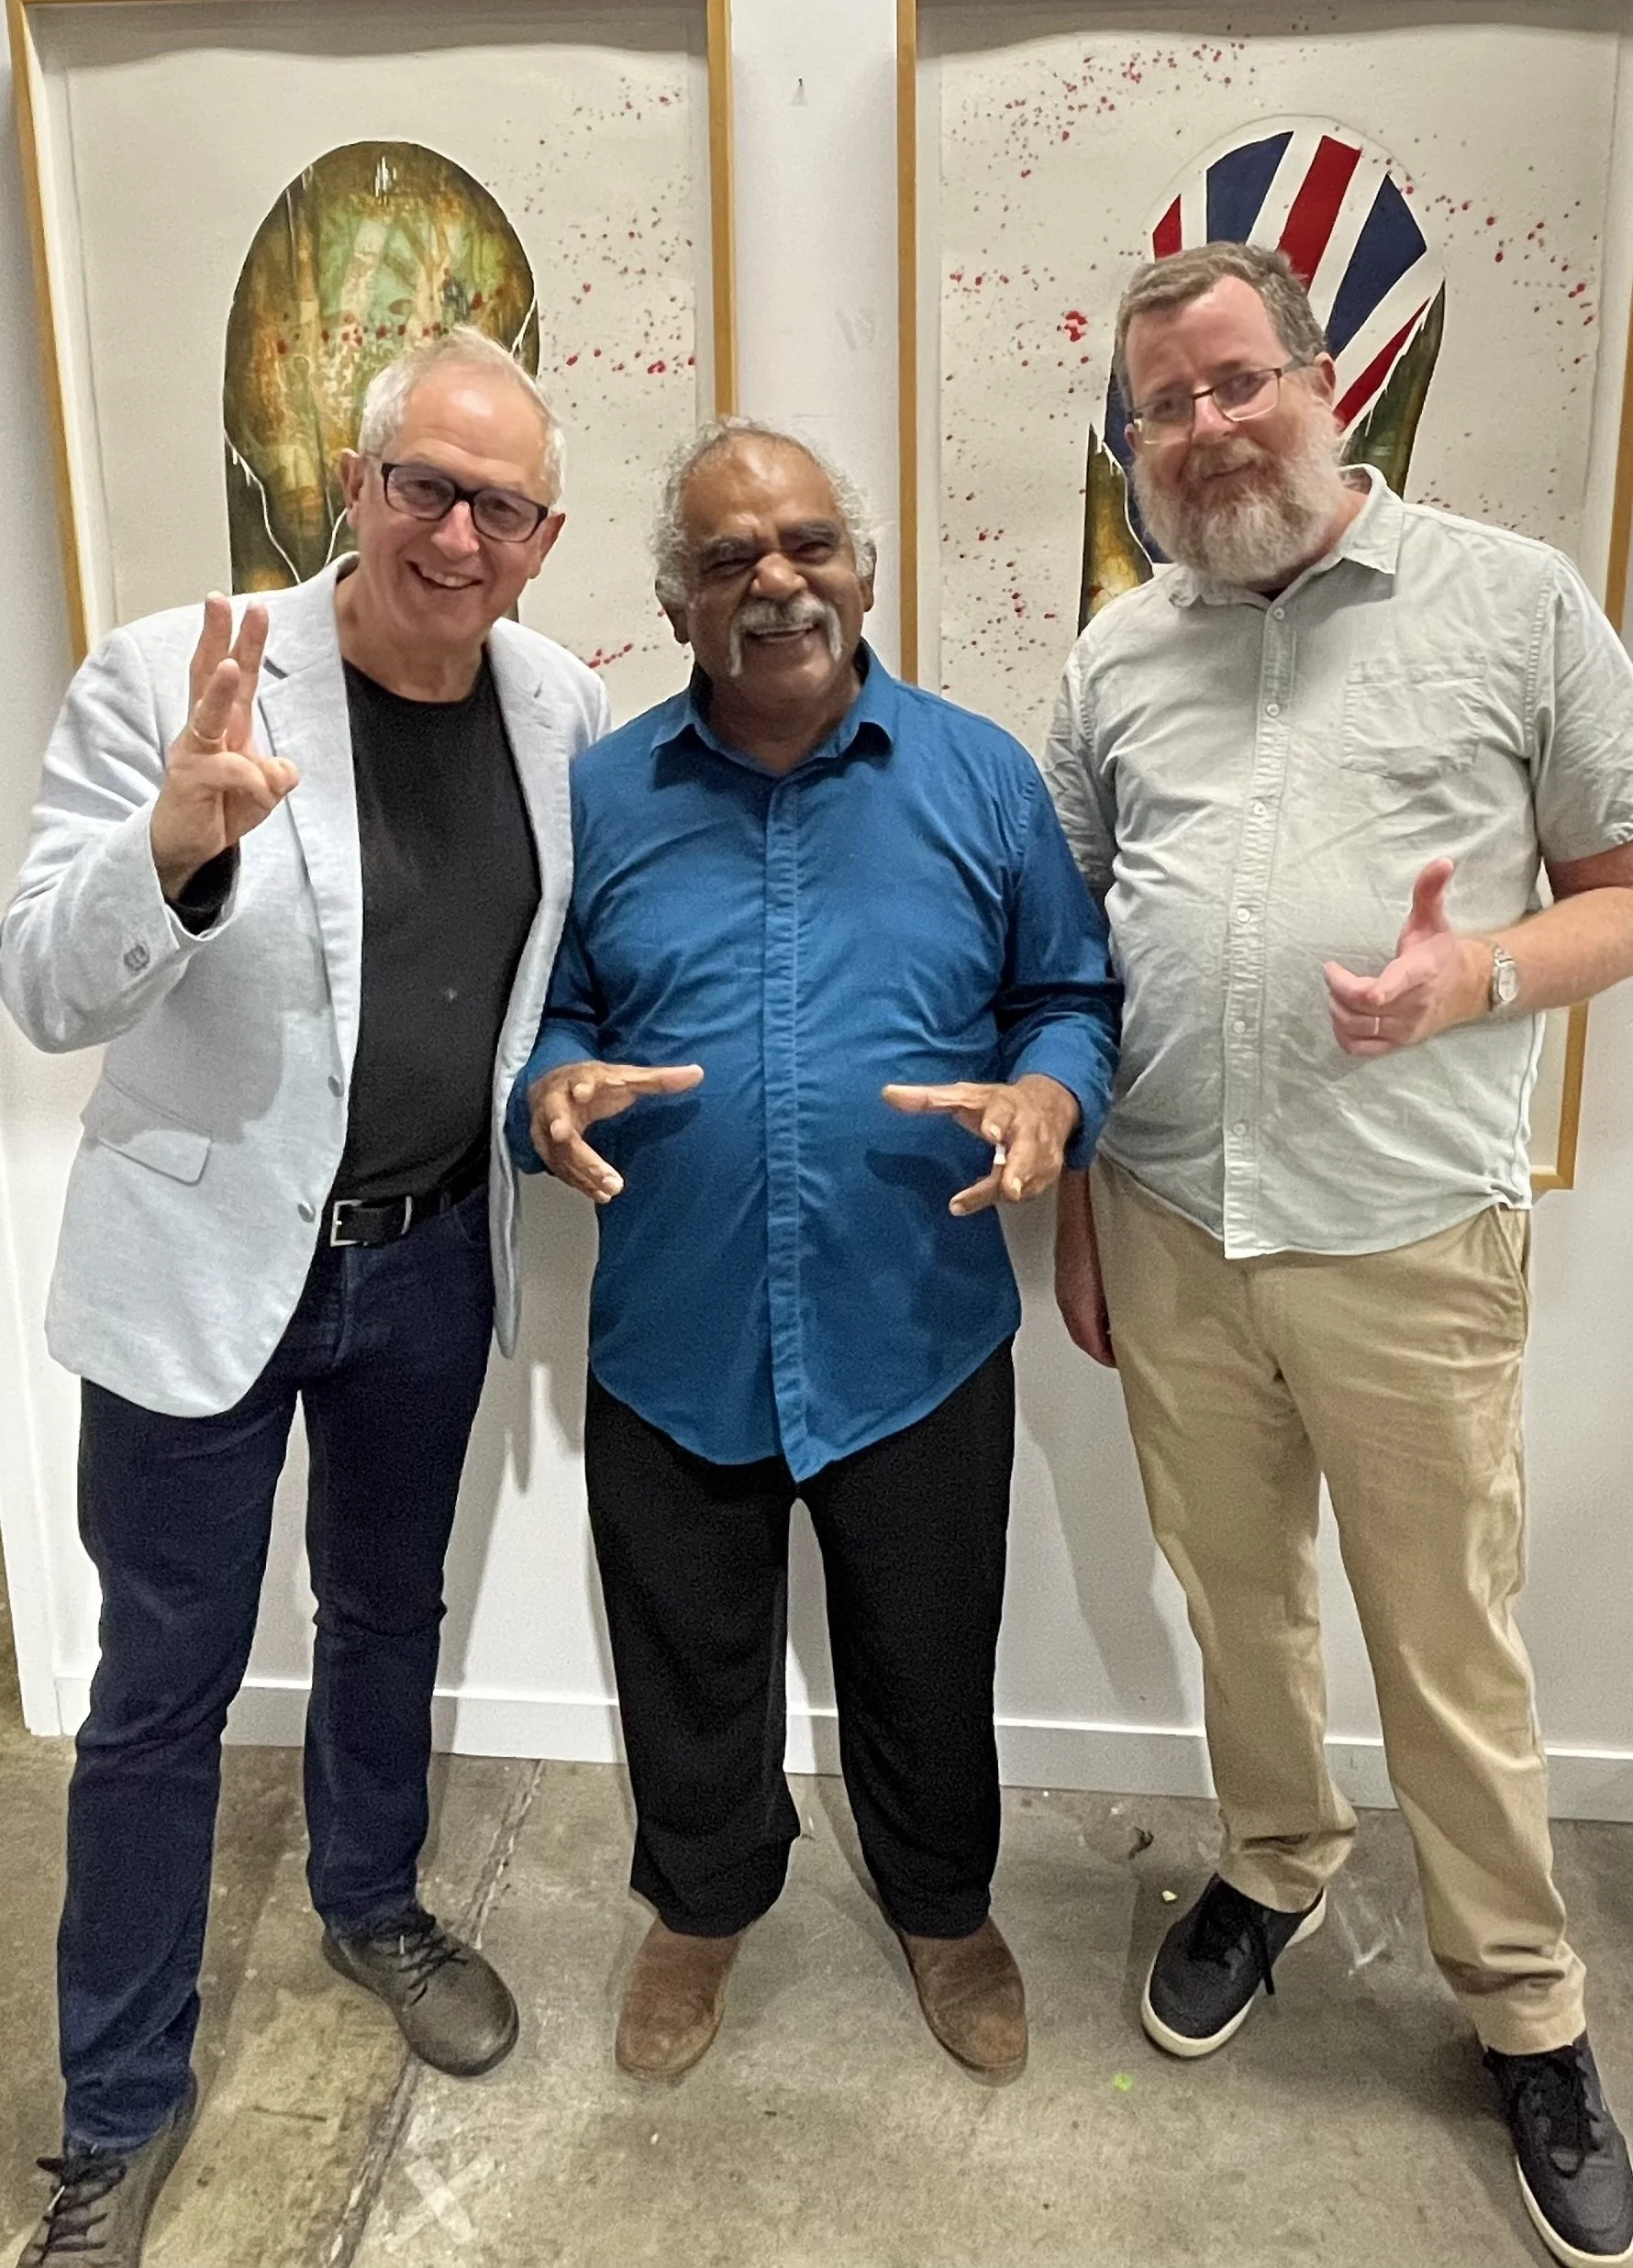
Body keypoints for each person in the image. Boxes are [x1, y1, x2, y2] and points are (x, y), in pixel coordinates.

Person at [1044, 238, 1633, 2268]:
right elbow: (1068, 952)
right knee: (1238, 1610)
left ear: (1330, 381)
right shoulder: (1116, 657)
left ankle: (1525, 2004)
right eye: (1163, 407)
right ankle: (1273, 1861)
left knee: (1447, 1645)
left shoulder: (1512, 601)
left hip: (1407, 1237)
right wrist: (1079, 1208)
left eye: (1237, 381)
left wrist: (1475, 975)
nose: (1206, 427)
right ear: (1133, 447)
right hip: (1170, 1225)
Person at [3, 327, 605, 2268]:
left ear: (544, 538)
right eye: (423, 485)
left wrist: (559, 1087)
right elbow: (44, 985)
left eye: (500, 506)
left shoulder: (561, 706)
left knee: (385, 1611)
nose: (456, 534)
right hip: (199, 1268)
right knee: (156, 1694)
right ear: (353, 486)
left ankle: (371, 1900)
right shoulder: (175, 673)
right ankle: (117, 2105)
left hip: (426, 1256)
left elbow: (535, 978)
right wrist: (172, 847)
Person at [506, 418, 1116, 2089]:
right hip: (676, 1326)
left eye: (808, 544)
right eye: (729, 560)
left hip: (912, 1324)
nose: (776, 579)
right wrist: (548, 1088)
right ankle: (701, 1904)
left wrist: (1053, 1098)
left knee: (928, 1647)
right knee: (685, 1654)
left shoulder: (979, 776)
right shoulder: (600, 799)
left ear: (864, 572)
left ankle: (944, 1906)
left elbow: (1069, 996)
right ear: (678, 607)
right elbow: (550, 1014)